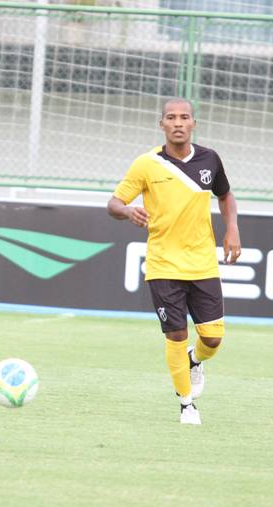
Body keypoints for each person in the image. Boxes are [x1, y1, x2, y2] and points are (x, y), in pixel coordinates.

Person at [107, 98, 241, 425]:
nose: (178, 122)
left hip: (202, 263)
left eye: (184, 117)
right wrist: (127, 210)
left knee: (212, 339)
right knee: (176, 335)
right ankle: (186, 405)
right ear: (162, 124)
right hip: (163, 264)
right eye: (171, 117)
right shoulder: (146, 164)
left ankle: (196, 361)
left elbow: (225, 194)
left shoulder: (210, 159)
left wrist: (232, 229)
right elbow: (113, 202)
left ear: (194, 123)